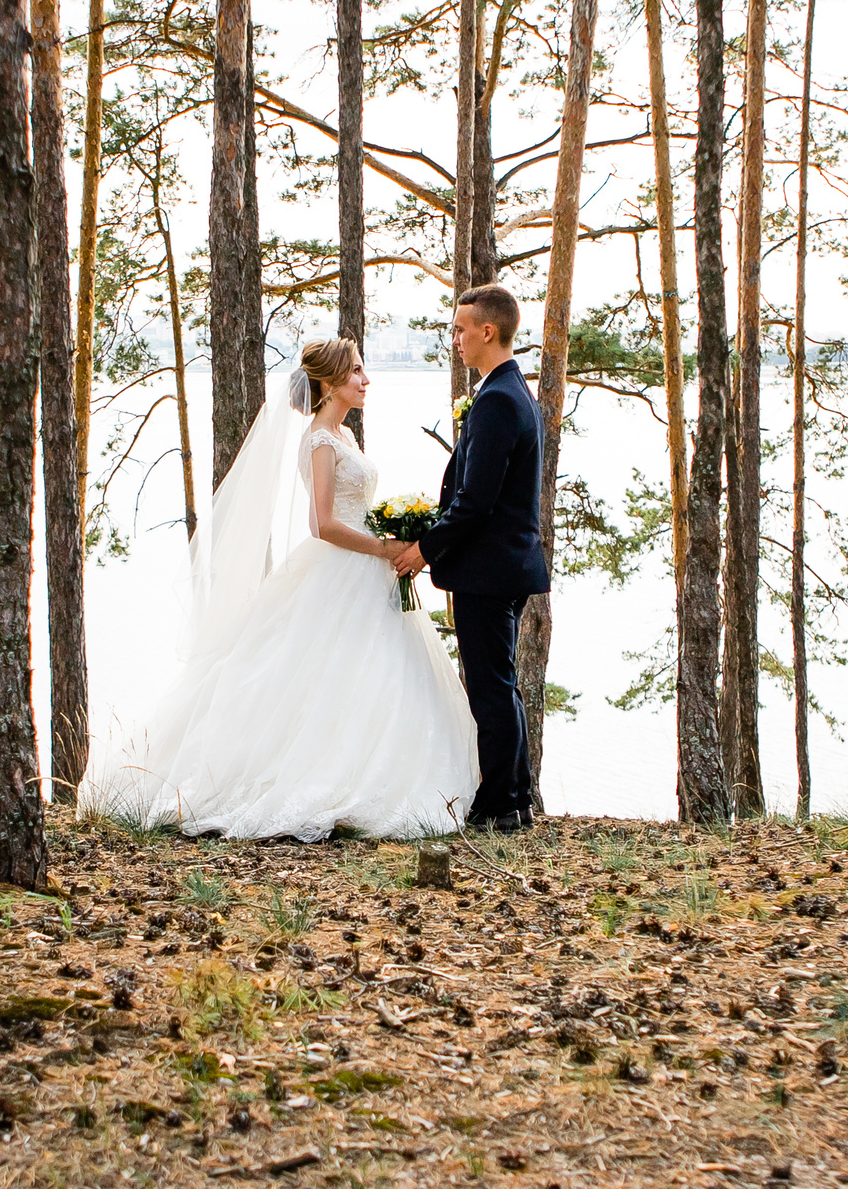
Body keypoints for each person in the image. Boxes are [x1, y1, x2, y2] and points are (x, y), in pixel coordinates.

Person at [77, 338, 477, 840]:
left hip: (367, 570)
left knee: (371, 675)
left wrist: (393, 535)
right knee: (311, 673)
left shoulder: (345, 436)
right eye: (356, 372)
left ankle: (361, 770)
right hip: (341, 568)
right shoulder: (320, 441)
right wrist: (384, 549)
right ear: (330, 382)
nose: (365, 380)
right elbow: (323, 524)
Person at [390, 284, 548, 832]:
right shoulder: (510, 391)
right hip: (506, 564)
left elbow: (476, 500)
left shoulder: (501, 400)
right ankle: (517, 797)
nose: (454, 339)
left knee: (490, 689)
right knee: (500, 684)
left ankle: (500, 803)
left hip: (491, 569)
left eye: (460, 329)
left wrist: (423, 550)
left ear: (488, 331)